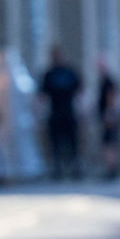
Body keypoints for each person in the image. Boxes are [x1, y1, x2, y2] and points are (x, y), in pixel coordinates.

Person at [38, 48, 84, 181]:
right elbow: (42, 95)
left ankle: (75, 168)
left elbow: (80, 91)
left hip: (69, 112)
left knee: (73, 142)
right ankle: (57, 169)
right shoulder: (49, 74)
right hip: (55, 113)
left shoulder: (70, 72)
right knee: (55, 143)